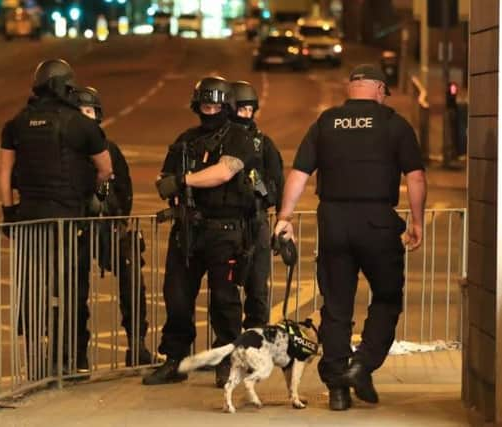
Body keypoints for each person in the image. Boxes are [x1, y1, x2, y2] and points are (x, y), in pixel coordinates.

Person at [273, 64, 427, 411]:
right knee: (387, 298)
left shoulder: (326, 122)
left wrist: (284, 217)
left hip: (334, 222)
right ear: (379, 90)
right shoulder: (393, 124)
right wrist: (417, 222)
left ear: (351, 88)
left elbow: (298, 173)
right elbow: (415, 177)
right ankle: (362, 365)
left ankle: (338, 389)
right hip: (377, 222)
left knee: (337, 306)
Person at [0, 59, 112, 377]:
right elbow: (105, 169)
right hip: (66, 220)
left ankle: (34, 362)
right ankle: (63, 359)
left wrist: (9, 212)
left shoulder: (16, 123)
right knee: (66, 291)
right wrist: (90, 190)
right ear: (67, 87)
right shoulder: (81, 125)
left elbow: (4, 172)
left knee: (33, 291)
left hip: (28, 220)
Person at [142, 76, 256, 387]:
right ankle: (175, 361)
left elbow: (225, 171)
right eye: (205, 105)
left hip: (225, 231)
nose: (210, 111)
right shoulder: (185, 140)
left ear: (227, 106)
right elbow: (164, 176)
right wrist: (169, 183)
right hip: (188, 229)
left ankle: (228, 362)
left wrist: (184, 180)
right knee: (177, 298)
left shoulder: (239, 138)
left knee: (224, 301)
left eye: (216, 106)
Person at [75, 86, 154, 368]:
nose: (85, 117)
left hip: (110, 225)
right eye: (79, 112)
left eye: (88, 111)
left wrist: (119, 220)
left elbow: (125, 188)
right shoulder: (70, 152)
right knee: (75, 290)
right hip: (78, 228)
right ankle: (77, 353)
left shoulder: (110, 149)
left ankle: (137, 345)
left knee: (132, 280)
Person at [230, 80, 284, 329]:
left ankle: (256, 341)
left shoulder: (263, 144)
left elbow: (275, 187)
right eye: (242, 110)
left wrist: (282, 225)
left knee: (257, 287)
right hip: (226, 225)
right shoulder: (221, 141)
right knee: (226, 292)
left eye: (250, 110)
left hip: (256, 222)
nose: (246, 116)